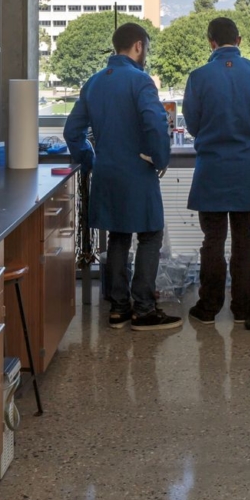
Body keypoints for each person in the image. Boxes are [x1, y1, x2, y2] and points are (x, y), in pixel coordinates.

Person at [63, 22, 181, 331]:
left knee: (117, 235)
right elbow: (155, 124)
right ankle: (143, 309)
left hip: (106, 172)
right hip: (136, 173)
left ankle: (118, 308)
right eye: (147, 49)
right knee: (151, 233)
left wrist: (89, 158)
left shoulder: (94, 82)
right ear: (139, 46)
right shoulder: (141, 82)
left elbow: (72, 131)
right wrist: (160, 158)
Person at [181, 17, 250, 324]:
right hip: (247, 168)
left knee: (212, 240)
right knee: (243, 240)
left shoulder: (198, 77)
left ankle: (208, 307)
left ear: (210, 42)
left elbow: (193, 126)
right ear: (238, 40)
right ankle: (243, 309)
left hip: (212, 169)